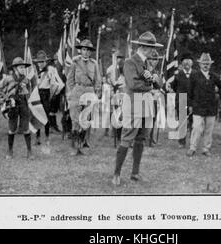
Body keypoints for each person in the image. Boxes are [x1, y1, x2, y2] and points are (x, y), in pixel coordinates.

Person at [112, 31, 163, 186]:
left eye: (152, 47)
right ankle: (116, 173)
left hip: (146, 105)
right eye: (150, 47)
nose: (153, 50)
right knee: (127, 138)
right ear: (143, 47)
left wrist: (155, 80)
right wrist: (150, 85)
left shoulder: (146, 63)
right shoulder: (130, 62)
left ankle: (135, 172)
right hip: (133, 104)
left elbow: (157, 83)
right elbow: (133, 84)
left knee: (141, 139)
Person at [66, 39, 102, 155]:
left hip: (90, 91)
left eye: (88, 50)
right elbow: (70, 79)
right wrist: (73, 91)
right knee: (75, 119)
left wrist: (97, 93)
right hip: (78, 90)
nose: (86, 52)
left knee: (86, 120)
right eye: (84, 49)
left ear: (91, 52)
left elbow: (98, 80)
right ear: (80, 50)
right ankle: (75, 147)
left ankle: (81, 144)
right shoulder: (75, 62)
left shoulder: (94, 63)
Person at [186, 53, 221, 157]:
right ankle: (192, 148)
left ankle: (206, 148)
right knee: (197, 128)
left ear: (210, 65)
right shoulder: (194, 76)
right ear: (199, 64)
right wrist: (190, 105)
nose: (205, 65)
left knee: (209, 129)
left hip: (211, 107)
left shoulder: (214, 76)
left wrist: (218, 95)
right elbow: (189, 92)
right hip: (198, 107)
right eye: (203, 63)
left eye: (207, 64)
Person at [0, 57, 34, 160]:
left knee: (26, 128)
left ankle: (29, 152)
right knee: (12, 129)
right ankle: (10, 151)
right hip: (12, 105)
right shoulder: (8, 78)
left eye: (23, 67)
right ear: (15, 68)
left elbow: (29, 92)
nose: (23, 69)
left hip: (24, 104)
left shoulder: (26, 80)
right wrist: (5, 98)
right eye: (21, 67)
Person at [33, 50, 64, 146]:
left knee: (46, 117)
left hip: (46, 94)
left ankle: (47, 137)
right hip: (37, 94)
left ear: (45, 62)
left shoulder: (49, 70)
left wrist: (50, 95)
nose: (40, 64)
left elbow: (54, 84)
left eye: (42, 62)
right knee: (37, 116)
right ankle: (37, 138)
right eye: (38, 62)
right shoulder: (35, 71)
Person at [171, 53, 193, 148]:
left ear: (192, 63)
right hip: (182, 99)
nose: (187, 62)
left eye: (189, 60)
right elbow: (174, 87)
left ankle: (193, 142)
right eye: (185, 60)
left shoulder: (196, 74)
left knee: (193, 122)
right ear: (182, 63)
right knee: (182, 122)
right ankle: (182, 142)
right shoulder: (178, 75)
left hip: (193, 100)